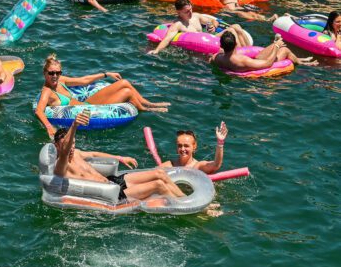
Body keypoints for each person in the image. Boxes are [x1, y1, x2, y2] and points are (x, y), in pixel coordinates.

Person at [54, 111, 185, 202]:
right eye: (68, 144)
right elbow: (65, 150)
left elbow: (94, 154)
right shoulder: (60, 165)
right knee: (158, 185)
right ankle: (186, 206)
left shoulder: (76, 153)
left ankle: (186, 198)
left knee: (160, 174)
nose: (71, 147)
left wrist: (120, 157)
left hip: (113, 181)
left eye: (73, 144)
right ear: (57, 146)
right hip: (112, 194)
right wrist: (74, 125)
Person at [36, 54, 170, 138]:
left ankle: (149, 103)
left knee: (124, 82)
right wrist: (49, 127)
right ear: (44, 73)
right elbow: (39, 111)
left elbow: (84, 80)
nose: (55, 76)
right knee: (127, 93)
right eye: (51, 73)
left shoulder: (61, 80)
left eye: (57, 72)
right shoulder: (47, 91)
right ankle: (145, 109)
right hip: (91, 109)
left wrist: (106, 74)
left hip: (88, 102)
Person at [150, 0, 252, 55]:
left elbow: (214, 21)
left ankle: (249, 50)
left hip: (209, 38)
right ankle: (239, 54)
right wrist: (157, 50)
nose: (190, 12)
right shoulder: (178, 24)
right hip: (203, 45)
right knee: (231, 31)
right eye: (186, 11)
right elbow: (167, 39)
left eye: (190, 9)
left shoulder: (196, 16)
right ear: (179, 12)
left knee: (236, 26)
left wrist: (213, 26)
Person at [212, 32, 319, 72]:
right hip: (255, 66)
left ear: (221, 46)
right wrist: (277, 47)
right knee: (284, 50)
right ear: (236, 44)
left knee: (271, 47)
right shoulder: (242, 60)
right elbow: (268, 64)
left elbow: (211, 59)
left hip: (254, 61)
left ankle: (298, 58)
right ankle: (301, 62)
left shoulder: (217, 58)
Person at [160, 123, 228, 174]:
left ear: (194, 147)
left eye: (186, 146)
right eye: (180, 146)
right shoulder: (171, 165)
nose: (183, 149)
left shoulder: (198, 167)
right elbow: (151, 173)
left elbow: (216, 165)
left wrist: (220, 142)